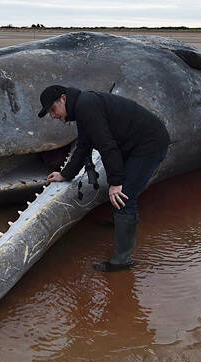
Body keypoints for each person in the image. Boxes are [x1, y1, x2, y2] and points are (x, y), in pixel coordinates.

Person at [38, 85, 169, 271]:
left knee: (124, 196)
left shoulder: (86, 106)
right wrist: (65, 174)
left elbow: (107, 146)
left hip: (149, 145)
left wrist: (116, 183)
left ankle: (122, 261)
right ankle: (121, 221)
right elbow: (84, 145)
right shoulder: (82, 106)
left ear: (64, 99)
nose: (53, 115)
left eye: (53, 109)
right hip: (133, 144)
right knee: (119, 189)